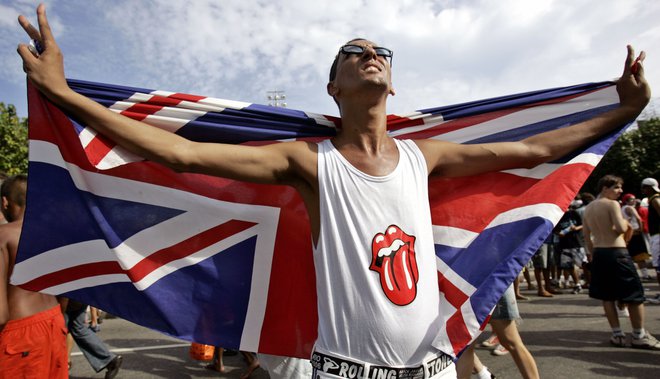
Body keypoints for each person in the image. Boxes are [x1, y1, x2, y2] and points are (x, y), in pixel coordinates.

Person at [16, 5, 651, 378]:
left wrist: (622, 111)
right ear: (334, 89)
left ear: (393, 85)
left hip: (432, 367)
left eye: (381, 52)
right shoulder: (309, 161)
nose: (370, 54)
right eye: (354, 52)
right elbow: (179, 153)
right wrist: (64, 96)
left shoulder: (424, 157)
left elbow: (538, 151)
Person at [0, 174, 68, 378]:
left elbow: (1, 314)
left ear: (5, 202)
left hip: (19, 332)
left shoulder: (4, 235)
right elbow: (65, 293)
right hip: (54, 321)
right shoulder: (53, 235)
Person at [582, 175, 660, 349]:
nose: (620, 191)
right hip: (616, 251)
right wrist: (626, 223)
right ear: (605, 188)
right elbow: (620, 228)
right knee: (634, 295)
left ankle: (617, 334)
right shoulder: (612, 204)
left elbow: (587, 236)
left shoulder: (588, 208)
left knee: (607, 296)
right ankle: (639, 334)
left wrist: (592, 254)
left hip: (599, 252)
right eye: (617, 187)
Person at [63, 299, 123, 378]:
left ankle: (61, 365)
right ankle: (110, 360)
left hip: (67, 297)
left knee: (62, 329)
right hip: (79, 296)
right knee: (78, 329)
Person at [640, 177, 660, 302]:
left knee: (658, 266)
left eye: (644, 188)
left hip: (658, 236)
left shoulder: (654, 199)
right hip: (656, 236)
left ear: (648, 188)